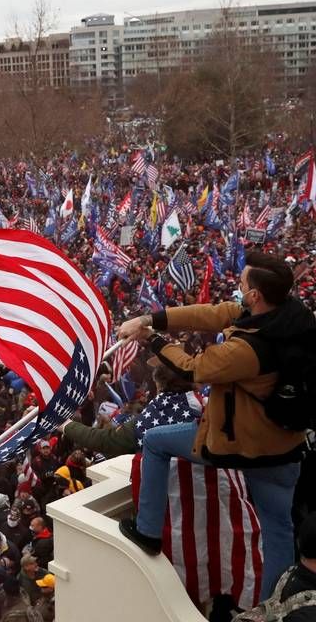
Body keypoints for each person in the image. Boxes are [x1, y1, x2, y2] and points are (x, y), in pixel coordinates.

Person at [118, 251, 311, 596]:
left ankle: (147, 530)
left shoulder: (246, 350)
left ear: (255, 295)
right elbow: (212, 313)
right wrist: (152, 317)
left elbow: (193, 368)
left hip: (242, 445)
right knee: (279, 529)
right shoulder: (290, 316)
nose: (237, 289)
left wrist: (152, 338)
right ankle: (275, 606)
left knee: (155, 441)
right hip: (286, 443)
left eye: (242, 283)